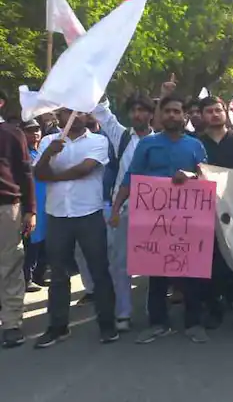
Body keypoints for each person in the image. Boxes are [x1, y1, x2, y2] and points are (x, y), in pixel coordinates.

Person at [110, 95, 209, 344]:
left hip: (189, 220)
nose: (173, 116)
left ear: (184, 116)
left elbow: (206, 177)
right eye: (168, 112)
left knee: (191, 272)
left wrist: (189, 176)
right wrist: (116, 208)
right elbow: (131, 178)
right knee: (156, 272)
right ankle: (157, 323)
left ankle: (194, 323)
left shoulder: (195, 145)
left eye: (177, 111)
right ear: (160, 116)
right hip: (156, 221)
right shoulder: (147, 145)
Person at [33, 108, 117, 348]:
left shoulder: (98, 141)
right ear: (59, 116)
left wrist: (54, 177)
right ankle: (58, 327)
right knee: (58, 274)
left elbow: (85, 169)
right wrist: (48, 154)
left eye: (78, 112)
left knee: (99, 270)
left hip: (88, 214)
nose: (73, 116)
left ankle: (107, 324)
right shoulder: (49, 141)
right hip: (57, 215)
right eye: (67, 112)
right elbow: (39, 173)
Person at [96, 95, 155, 332]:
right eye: (134, 111)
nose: (137, 115)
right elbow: (103, 114)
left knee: (153, 262)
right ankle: (123, 312)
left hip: (153, 211)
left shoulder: (159, 141)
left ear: (151, 114)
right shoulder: (121, 137)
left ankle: (154, 308)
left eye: (142, 110)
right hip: (122, 209)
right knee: (119, 262)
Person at [197, 95, 233, 329]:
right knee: (211, 259)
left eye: (218, 110)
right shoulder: (195, 143)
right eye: (209, 111)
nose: (214, 114)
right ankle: (214, 308)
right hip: (206, 209)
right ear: (201, 116)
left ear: (226, 112)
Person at [0, 90, 36, 348]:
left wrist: (30, 209)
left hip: (6, 208)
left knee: (9, 265)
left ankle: (11, 323)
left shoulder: (13, 134)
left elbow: (25, 173)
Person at [21, 120, 47, 292]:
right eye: (30, 130)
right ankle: (26, 278)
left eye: (37, 129)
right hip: (32, 205)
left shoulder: (43, 150)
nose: (35, 133)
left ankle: (39, 275)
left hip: (47, 204)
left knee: (44, 243)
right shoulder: (22, 153)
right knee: (30, 244)